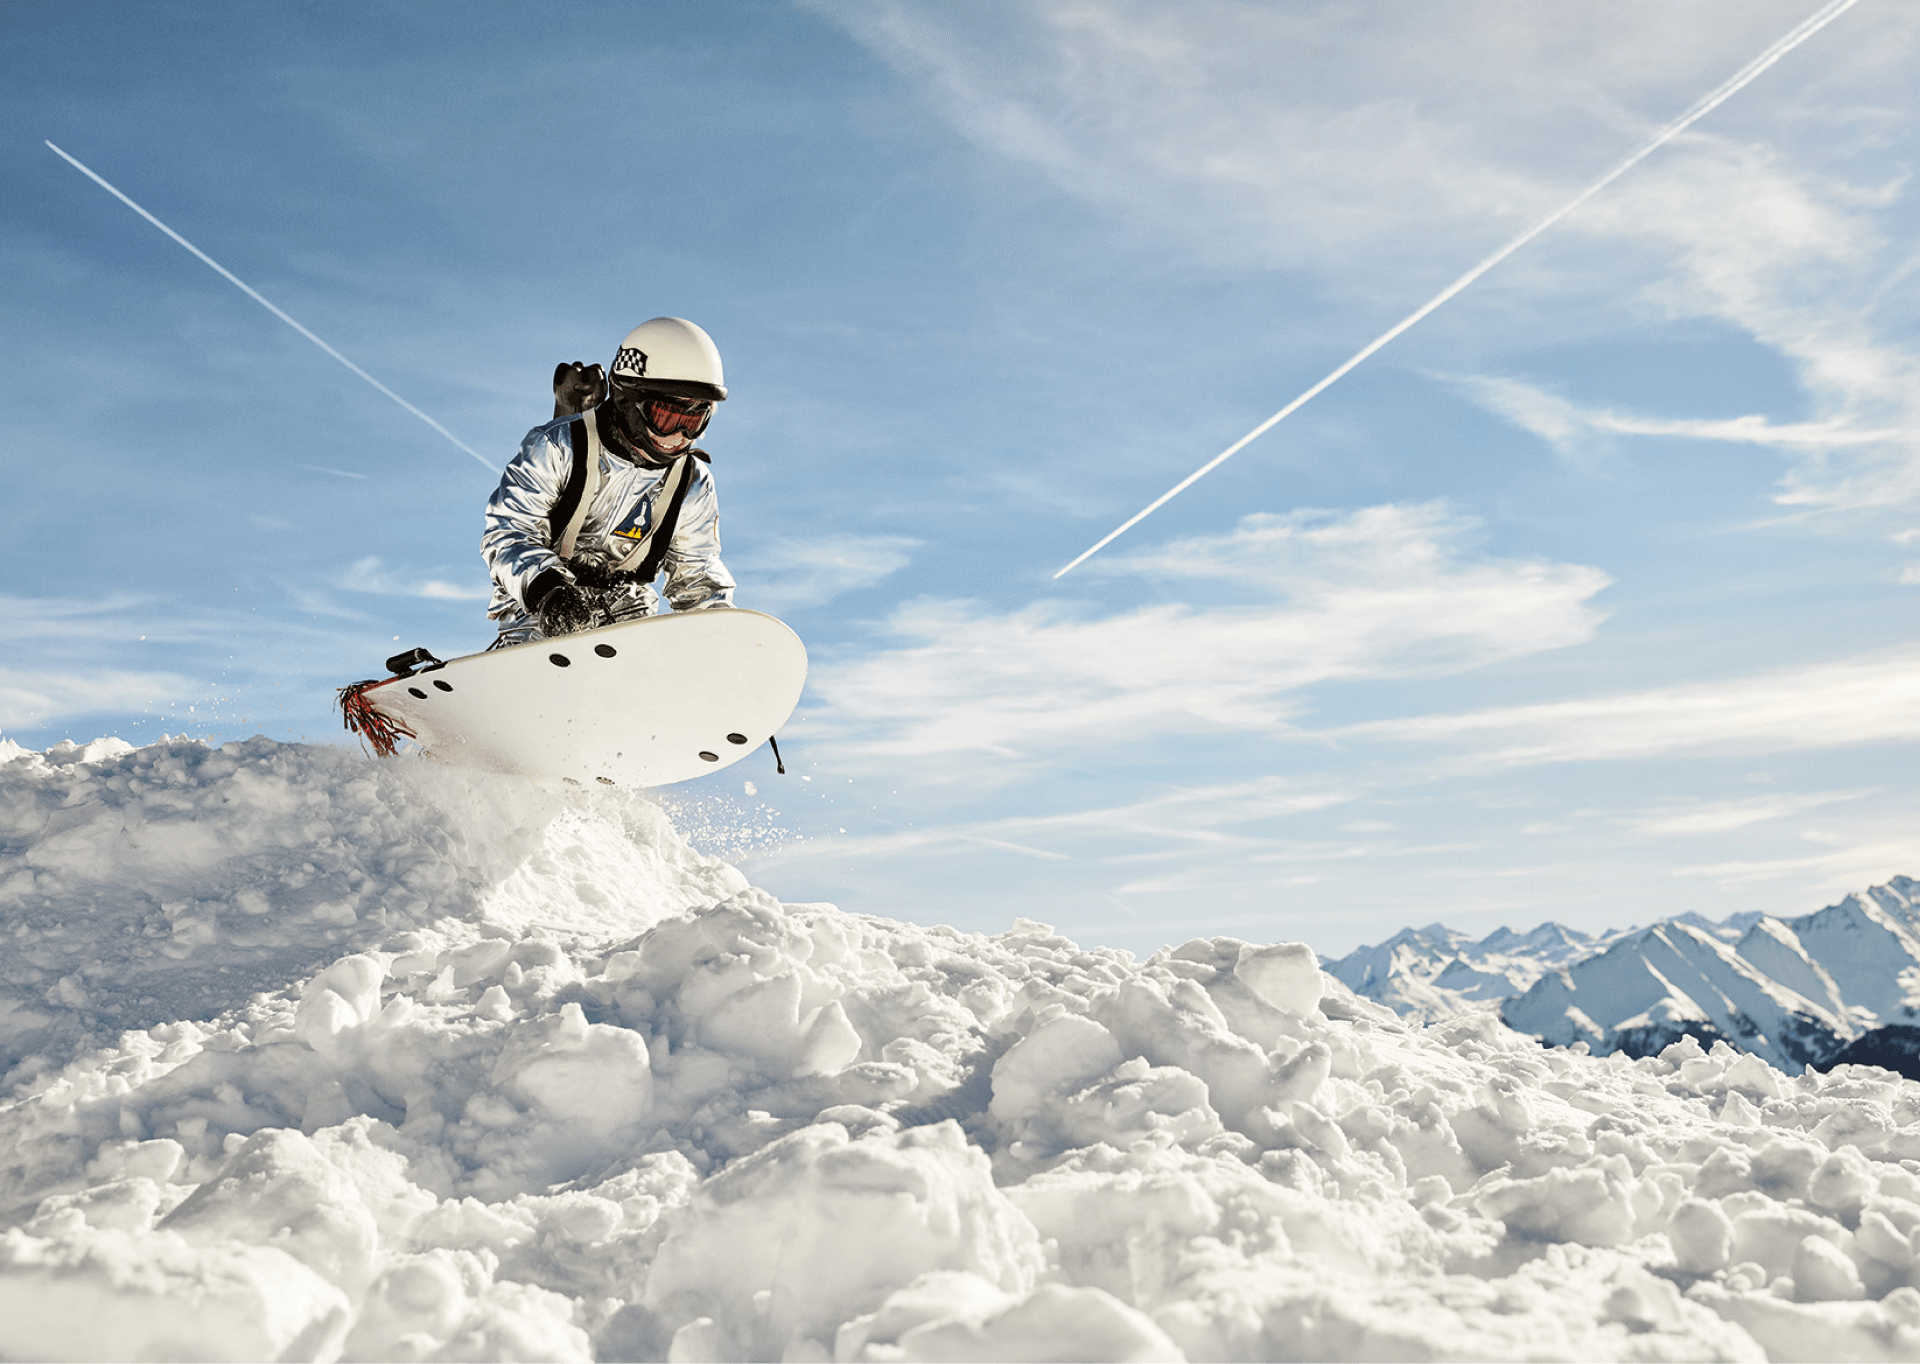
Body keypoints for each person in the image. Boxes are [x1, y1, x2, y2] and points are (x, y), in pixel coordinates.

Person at [482, 317, 736, 646]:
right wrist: (548, 592)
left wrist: (716, 636)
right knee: (542, 643)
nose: (679, 436)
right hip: (540, 606)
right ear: (628, 400)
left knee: (644, 651)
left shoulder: (690, 481)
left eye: (695, 421)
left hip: (626, 613)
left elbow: (697, 572)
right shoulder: (558, 446)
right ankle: (521, 665)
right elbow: (510, 531)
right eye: (667, 418)